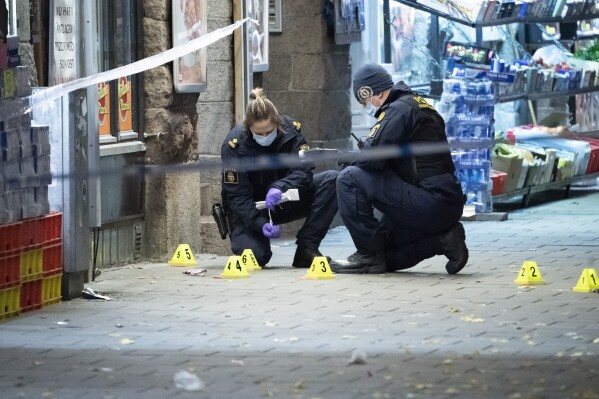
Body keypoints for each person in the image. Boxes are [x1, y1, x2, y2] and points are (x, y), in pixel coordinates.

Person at [331, 63, 468, 274]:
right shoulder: (417, 105)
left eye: (365, 100)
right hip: (442, 203)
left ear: (372, 91)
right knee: (385, 256)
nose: (367, 106)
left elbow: (372, 158)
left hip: (429, 200)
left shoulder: (397, 111)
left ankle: (367, 254)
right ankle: (444, 240)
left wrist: (350, 160)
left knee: (348, 178)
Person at [221, 88, 339, 268]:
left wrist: (280, 187)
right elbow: (237, 197)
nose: (264, 137)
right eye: (258, 134)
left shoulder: (292, 132)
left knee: (332, 180)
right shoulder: (234, 146)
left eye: (269, 131)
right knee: (256, 258)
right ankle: (255, 239)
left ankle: (306, 248)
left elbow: (304, 170)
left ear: (277, 122)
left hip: (283, 200)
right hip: (251, 210)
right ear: (248, 128)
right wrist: (260, 223)